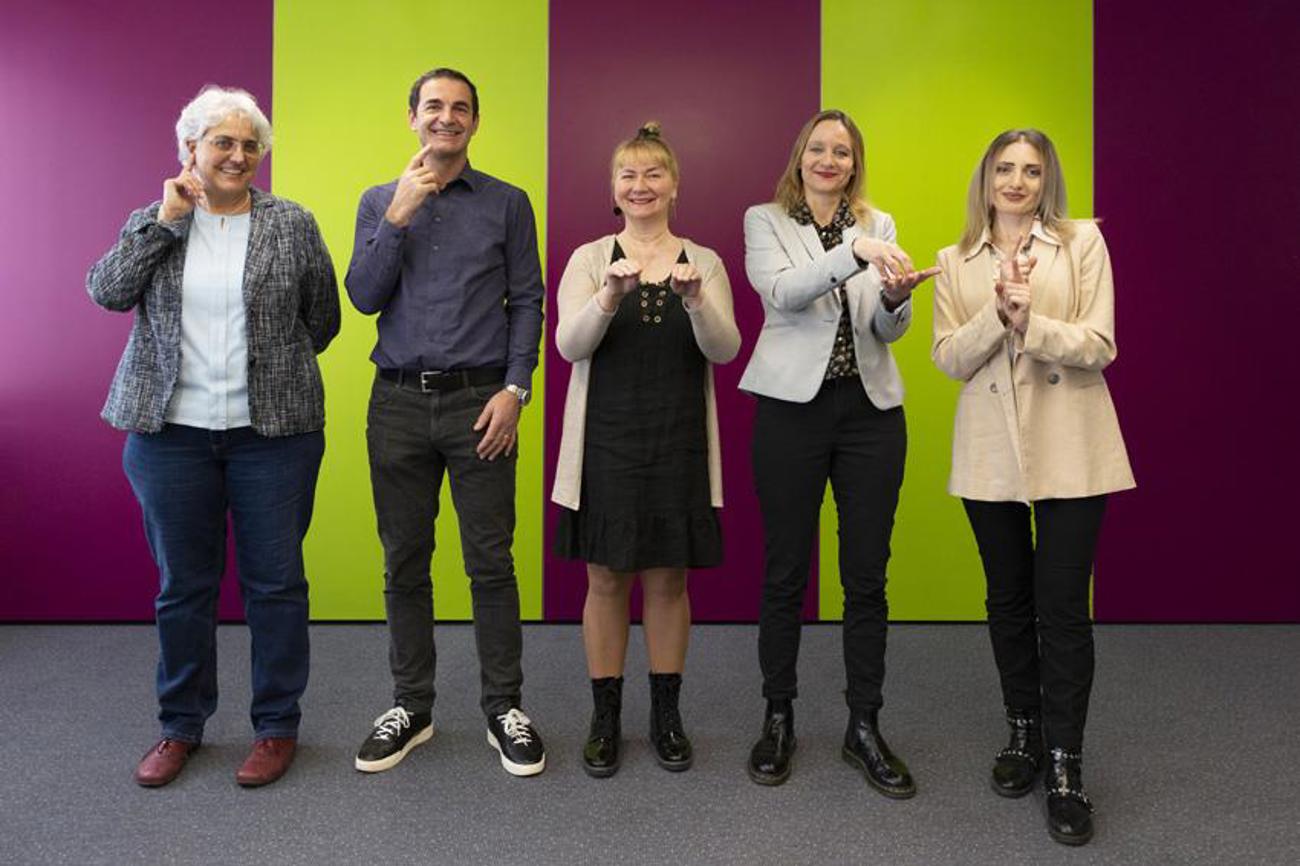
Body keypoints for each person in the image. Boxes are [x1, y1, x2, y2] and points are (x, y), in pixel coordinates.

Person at [87, 86, 340, 788]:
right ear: (189, 151)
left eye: (248, 144)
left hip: (274, 436)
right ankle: (180, 727)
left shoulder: (292, 223)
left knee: (276, 585)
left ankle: (276, 726)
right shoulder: (156, 220)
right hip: (172, 436)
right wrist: (166, 222)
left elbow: (321, 318)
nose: (236, 155)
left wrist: (271, 372)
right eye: (221, 142)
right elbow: (106, 291)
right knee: (183, 588)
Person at [931, 128, 1135, 845]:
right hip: (991, 450)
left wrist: (1033, 322)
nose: (1016, 181)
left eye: (1030, 170)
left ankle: (1064, 762)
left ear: (1046, 180)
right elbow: (949, 359)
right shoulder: (953, 260)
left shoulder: (1082, 243)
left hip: (1071, 445)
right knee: (1008, 599)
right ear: (984, 178)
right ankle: (1022, 730)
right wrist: (996, 312)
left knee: (1063, 608)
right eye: (1004, 169)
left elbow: (1101, 343)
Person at [345, 68, 546, 777]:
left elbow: (528, 302)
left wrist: (516, 390)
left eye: (460, 108)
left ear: (474, 122)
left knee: (491, 561)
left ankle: (504, 708)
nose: (447, 117)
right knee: (404, 560)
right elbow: (363, 298)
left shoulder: (507, 204)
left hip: (480, 402)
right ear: (412, 118)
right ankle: (412, 706)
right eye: (434, 106)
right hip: (396, 402)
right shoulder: (378, 201)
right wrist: (398, 214)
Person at [739, 109, 938, 795]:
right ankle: (779, 716)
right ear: (801, 157)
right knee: (786, 571)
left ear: (855, 164)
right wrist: (852, 255)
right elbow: (782, 295)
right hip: (791, 410)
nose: (830, 160)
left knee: (866, 575)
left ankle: (864, 726)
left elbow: (888, 328)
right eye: (818, 149)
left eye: (843, 152)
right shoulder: (764, 220)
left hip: (869, 413)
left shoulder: (878, 223)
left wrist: (895, 297)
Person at [552, 124, 740, 777]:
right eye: (628, 176)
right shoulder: (587, 258)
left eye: (653, 174)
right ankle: (606, 719)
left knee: (667, 577)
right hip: (605, 442)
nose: (641, 186)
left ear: (674, 186)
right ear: (614, 189)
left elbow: (724, 347)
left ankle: (666, 715)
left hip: (678, 442)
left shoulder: (703, 260)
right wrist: (607, 294)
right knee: (604, 577)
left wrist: (695, 301)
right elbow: (569, 345)